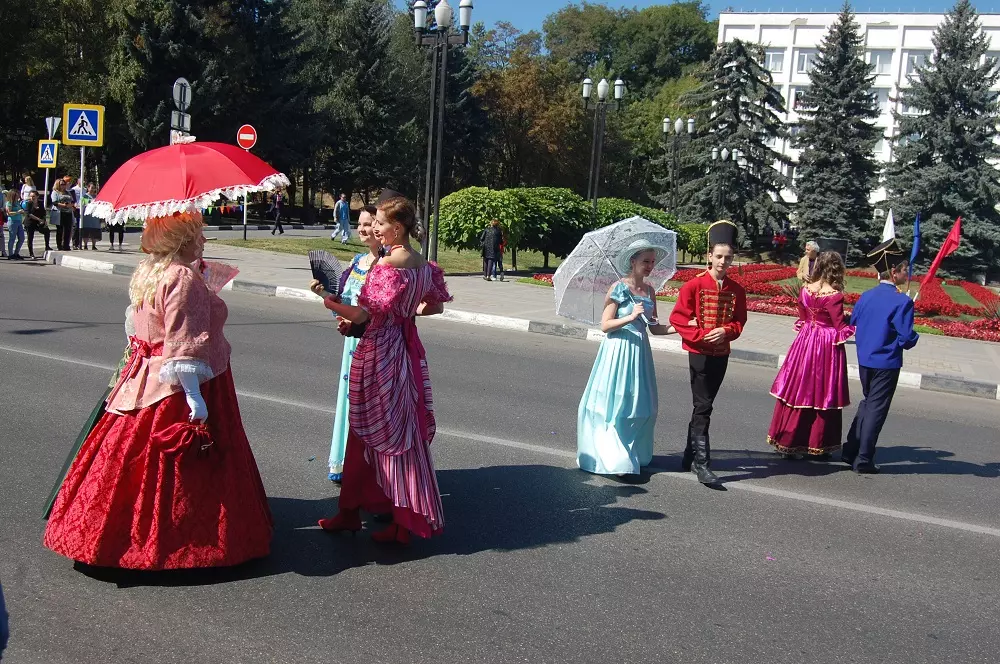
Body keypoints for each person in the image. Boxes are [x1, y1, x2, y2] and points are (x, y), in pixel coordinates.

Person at [43, 211, 272, 569]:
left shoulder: (149, 269)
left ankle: (108, 532)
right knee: (181, 460)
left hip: (146, 372)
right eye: (196, 234)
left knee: (126, 454)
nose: (203, 240)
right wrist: (194, 395)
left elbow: (142, 325)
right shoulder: (181, 275)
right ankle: (175, 541)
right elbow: (184, 339)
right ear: (180, 240)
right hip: (182, 382)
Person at [311, 195, 451, 545]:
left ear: (397, 228)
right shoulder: (423, 264)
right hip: (405, 349)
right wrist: (403, 312)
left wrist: (329, 302)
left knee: (368, 429)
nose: (376, 228)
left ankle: (358, 513)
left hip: (379, 351)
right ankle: (387, 517)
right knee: (398, 430)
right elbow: (434, 306)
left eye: (381, 223)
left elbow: (363, 314)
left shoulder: (388, 265)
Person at [577, 239, 676, 476]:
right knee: (616, 402)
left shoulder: (650, 291)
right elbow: (605, 325)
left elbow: (655, 328)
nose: (650, 266)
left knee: (639, 404)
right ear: (633, 261)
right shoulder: (618, 288)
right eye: (645, 261)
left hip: (640, 352)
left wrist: (682, 327)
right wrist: (630, 317)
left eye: (652, 262)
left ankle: (633, 452)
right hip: (617, 350)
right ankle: (614, 457)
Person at [668, 220, 748, 485]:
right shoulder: (694, 285)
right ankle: (702, 464)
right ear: (709, 256)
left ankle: (688, 456)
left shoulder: (737, 290)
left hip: (721, 354)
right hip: (699, 353)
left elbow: (739, 322)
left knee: (704, 406)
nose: (724, 262)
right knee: (703, 406)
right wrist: (701, 335)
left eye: (728, 257)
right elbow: (678, 319)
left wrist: (726, 331)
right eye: (719, 256)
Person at [841, 239, 919, 474]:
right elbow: (906, 338)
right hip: (886, 362)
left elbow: (853, 321)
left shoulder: (866, 296)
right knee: (876, 408)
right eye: (905, 269)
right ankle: (864, 459)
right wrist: (913, 338)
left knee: (868, 403)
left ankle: (850, 449)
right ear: (894, 272)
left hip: (865, 359)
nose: (907, 273)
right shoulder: (902, 301)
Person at [767, 251, 854, 459]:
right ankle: (817, 445)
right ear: (836, 269)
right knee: (822, 393)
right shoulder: (834, 295)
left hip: (805, 341)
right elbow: (839, 326)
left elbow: (803, 316)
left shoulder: (806, 289)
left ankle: (787, 441)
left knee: (797, 389)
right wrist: (851, 321)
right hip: (825, 346)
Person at [324, 204, 383, 482]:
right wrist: (325, 295)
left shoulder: (388, 264)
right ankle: (345, 461)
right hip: (352, 342)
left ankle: (371, 468)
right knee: (350, 400)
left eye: (368, 223)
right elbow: (343, 302)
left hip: (375, 342)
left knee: (371, 404)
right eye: (359, 224)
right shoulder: (357, 261)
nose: (361, 229)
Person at [22, 189, 51, 258]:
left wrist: (44, 221)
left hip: (38, 222)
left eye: (33, 196)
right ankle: (31, 253)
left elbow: (43, 213)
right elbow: (29, 214)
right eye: (31, 196)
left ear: (37, 196)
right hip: (30, 222)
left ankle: (47, 246)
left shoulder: (40, 203)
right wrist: (38, 219)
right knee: (30, 237)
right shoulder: (28, 203)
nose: (32, 198)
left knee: (47, 231)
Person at [50, 179, 74, 251]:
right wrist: (64, 205)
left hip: (68, 212)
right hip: (59, 213)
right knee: (60, 230)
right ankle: (59, 245)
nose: (63, 186)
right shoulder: (55, 192)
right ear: (58, 185)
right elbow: (54, 202)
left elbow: (72, 201)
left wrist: (71, 205)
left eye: (64, 184)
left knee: (68, 229)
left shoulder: (68, 192)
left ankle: (66, 245)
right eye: (62, 184)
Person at [4, 189, 26, 260]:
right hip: (12, 222)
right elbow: (9, 213)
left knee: (22, 238)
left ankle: (16, 253)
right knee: (12, 238)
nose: (19, 195)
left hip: (19, 221)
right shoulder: (9, 203)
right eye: (17, 194)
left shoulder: (17, 202)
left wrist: (22, 212)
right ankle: (10, 254)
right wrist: (18, 212)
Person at [80, 183, 101, 250]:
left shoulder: (97, 197)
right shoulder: (84, 196)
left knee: (94, 231)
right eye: (91, 188)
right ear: (88, 188)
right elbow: (82, 205)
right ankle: (85, 245)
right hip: (87, 217)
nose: (92, 189)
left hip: (95, 217)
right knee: (86, 231)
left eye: (93, 188)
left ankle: (93, 245)